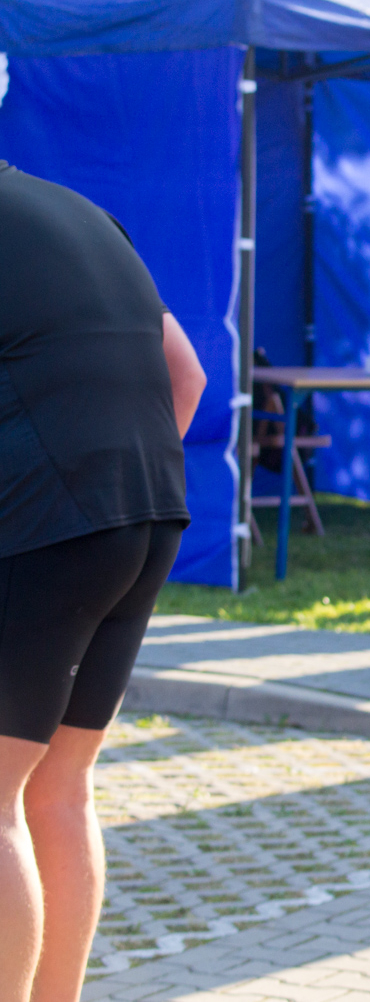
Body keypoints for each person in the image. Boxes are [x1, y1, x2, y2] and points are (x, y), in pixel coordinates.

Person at [0, 161, 205, 1002]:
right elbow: (185, 377)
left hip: (53, 521)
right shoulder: (82, 211)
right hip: (148, 513)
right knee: (58, 785)